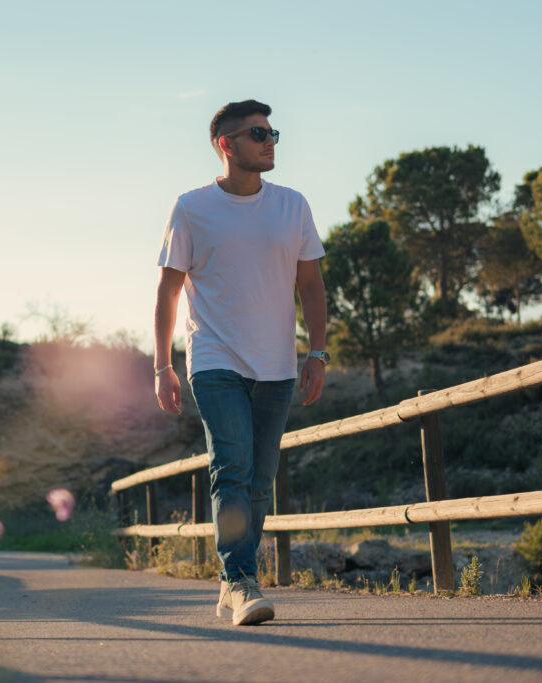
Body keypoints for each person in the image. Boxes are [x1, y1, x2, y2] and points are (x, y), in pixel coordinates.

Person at [153, 99, 328, 626]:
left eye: (274, 132)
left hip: (276, 364)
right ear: (225, 144)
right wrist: (163, 366)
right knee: (231, 468)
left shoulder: (292, 205)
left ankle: (235, 578)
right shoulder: (191, 207)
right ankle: (240, 579)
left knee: (259, 480)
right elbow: (168, 290)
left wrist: (317, 352)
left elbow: (312, 284)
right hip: (214, 359)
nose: (270, 139)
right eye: (258, 133)